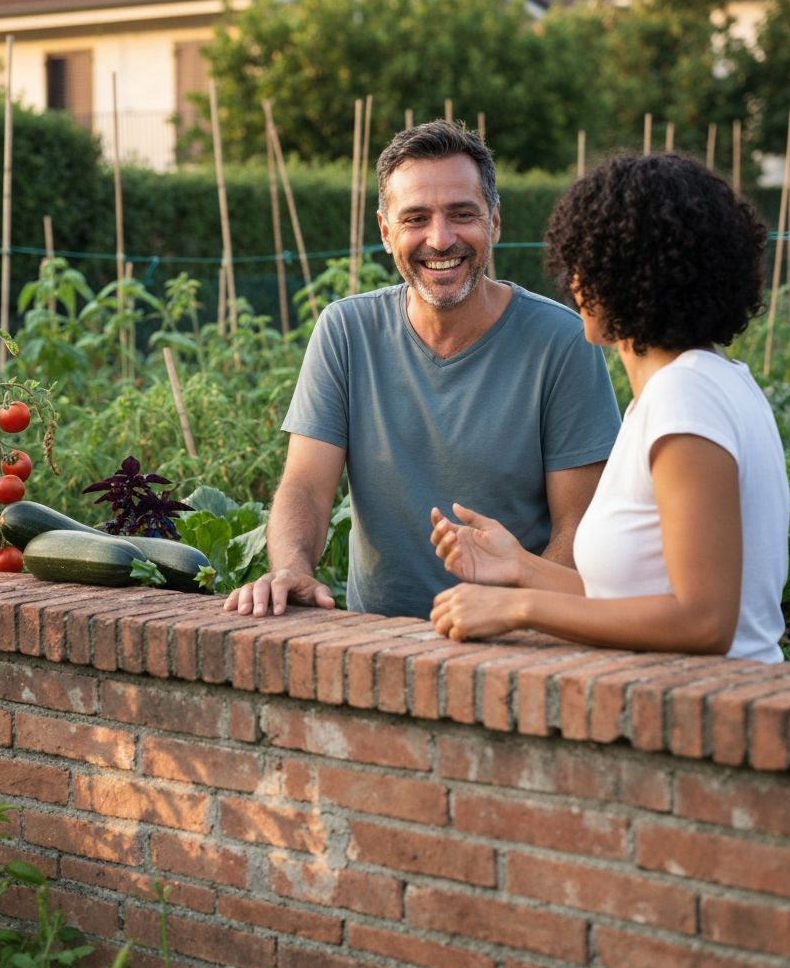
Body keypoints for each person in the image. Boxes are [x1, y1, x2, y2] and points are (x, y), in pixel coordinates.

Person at [224, 119, 621, 620]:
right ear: (386, 232)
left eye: (462, 214)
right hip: (374, 641)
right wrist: (291, 568)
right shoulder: (347, 331)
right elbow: (305, 485)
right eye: (416, 218)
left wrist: (514, 614)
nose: (440, 238)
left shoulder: (560, 341)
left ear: (495, 222)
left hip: (515, 640)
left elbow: (577, 528)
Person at [429, 152, 789, 663]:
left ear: (621, 277)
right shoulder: (705, 384)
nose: (574, 282)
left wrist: (519, 609)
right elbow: (631, 604)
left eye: (587, 263)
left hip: (710, 705)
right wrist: (520, 567)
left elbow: (704, 620)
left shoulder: (685, 397)